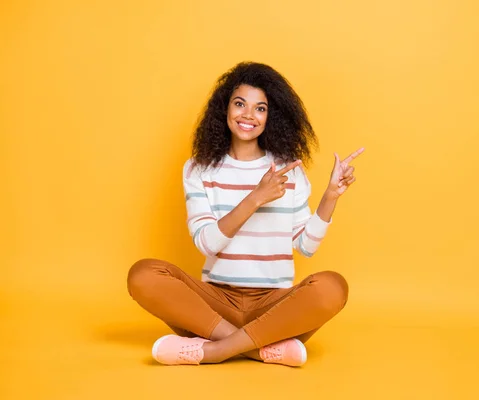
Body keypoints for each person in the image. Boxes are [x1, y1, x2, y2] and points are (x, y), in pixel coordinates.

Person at [127, 61, 364, 367]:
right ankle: (259, 348)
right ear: (224, 109)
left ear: (271, 117)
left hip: (273, 306)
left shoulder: (288, 170)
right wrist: (255, 198)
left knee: (333, 287)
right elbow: (206, 243)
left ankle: (213, 350)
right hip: (214, 304)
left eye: (260, 108)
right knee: (143, 274)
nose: (249, 115)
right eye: (240, 104)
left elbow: (306, 246)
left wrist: (330, 196)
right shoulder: (198, 169)